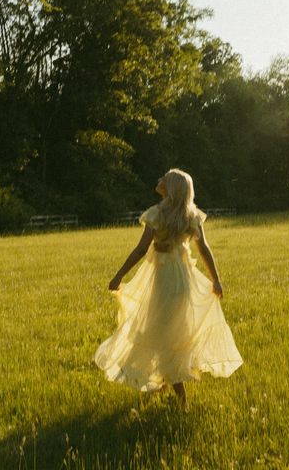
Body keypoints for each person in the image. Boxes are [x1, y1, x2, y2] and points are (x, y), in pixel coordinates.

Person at [94, 168, 243, 409]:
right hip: (182, 279)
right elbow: (203, 249)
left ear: (171, 188)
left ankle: (181, 398)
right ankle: (162, 382)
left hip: (162, 279)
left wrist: (119, 275)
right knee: (170, 330)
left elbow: (142, 249)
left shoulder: (156, 215)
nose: (159, 180)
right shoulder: (190, 216)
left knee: (160, 332)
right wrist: (216, 280)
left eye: (164, 178)